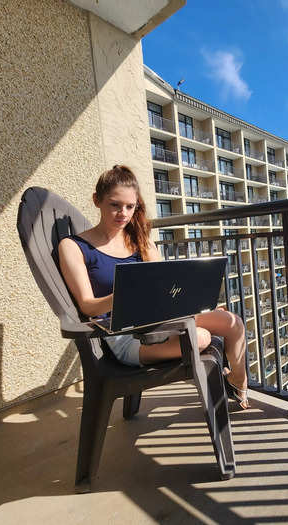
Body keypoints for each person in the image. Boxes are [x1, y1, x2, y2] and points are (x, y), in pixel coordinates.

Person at [58, 165, 249, 408]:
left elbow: (165, 285)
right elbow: (88, 306)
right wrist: (125, 295)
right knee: (200, 338)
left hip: (161, 318)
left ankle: (238, 383)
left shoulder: (138, 241)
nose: (123, 213)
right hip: (124, 336)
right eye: (115, 204)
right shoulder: (74, 246)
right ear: (97, 200)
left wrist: (195, 303)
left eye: (130, 206)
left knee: (232, 322)